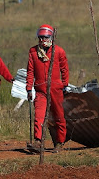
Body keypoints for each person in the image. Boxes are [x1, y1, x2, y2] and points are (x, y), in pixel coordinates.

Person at [26, 24, 70, 153]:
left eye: (45, 38)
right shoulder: (33, 51)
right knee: (39, 116)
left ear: (50, 37)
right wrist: (29, 88)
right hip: (40, 89)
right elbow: (30, 71)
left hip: (56, 89)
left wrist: (65, 85)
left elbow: (64, 69)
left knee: (59, 116)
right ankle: (38, 142)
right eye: (40, 38)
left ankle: (60, 143)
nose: (42, 40)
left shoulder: (59, 51)